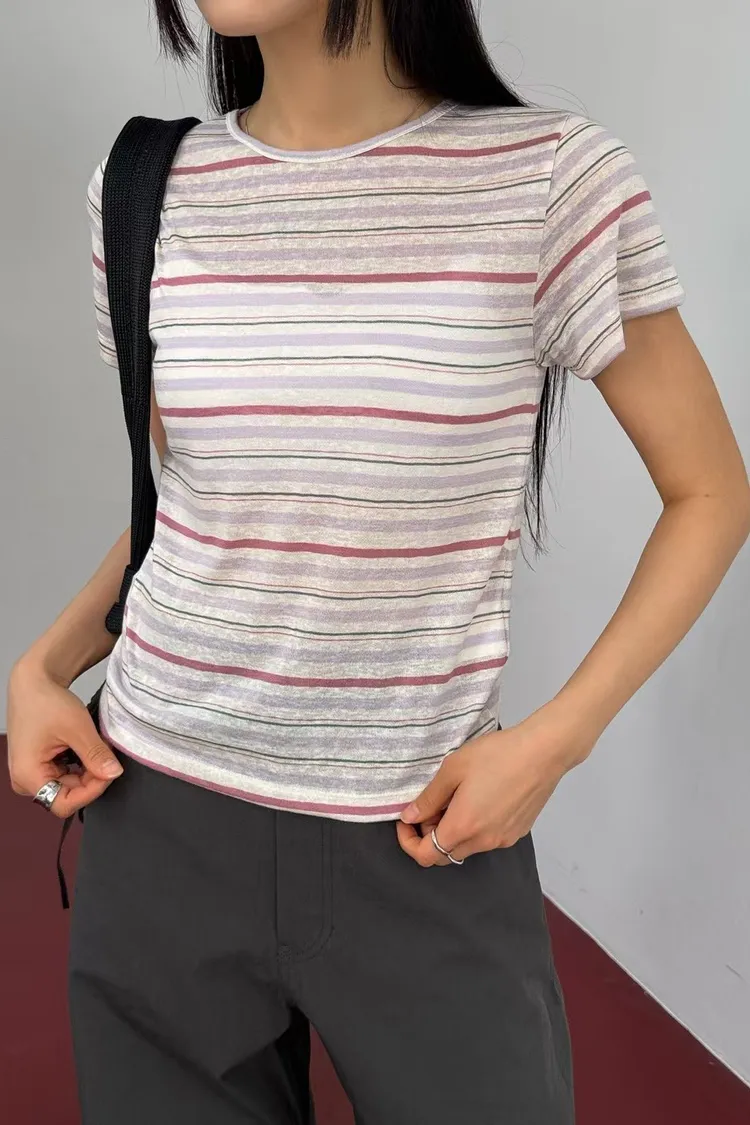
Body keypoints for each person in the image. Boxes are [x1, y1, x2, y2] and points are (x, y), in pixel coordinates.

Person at [7, 1, 750, 1122]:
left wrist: (554, 743)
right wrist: (44, 666)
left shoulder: (549, 179)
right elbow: (193, 507)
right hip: (156, 814)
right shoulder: (145, 190)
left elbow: (711, 494)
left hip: (419, 830)